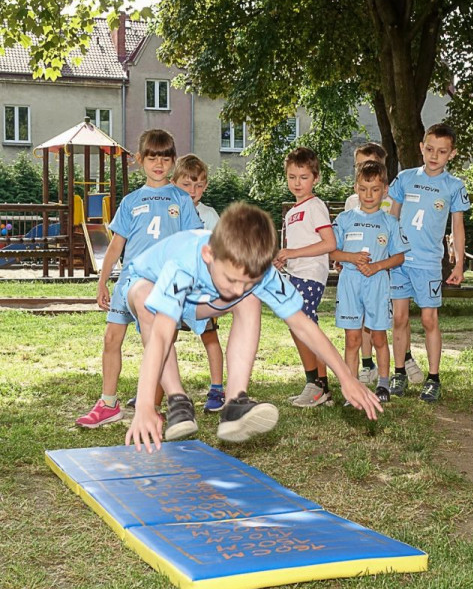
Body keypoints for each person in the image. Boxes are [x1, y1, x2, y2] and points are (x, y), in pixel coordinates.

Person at [121, 203, 382, 451]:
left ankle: (235, 403)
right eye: (232, 279)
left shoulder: (259, 272)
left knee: (250, 298)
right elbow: (160, 338)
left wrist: (346, 377)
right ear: (208, 255)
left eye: (247, 281)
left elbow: (303, 325)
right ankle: (177, 399)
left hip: (203, 299)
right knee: (145, 300)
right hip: (148, 285)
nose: (236, 290)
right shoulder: (183, 263)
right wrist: (145, 406)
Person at [77, 129, 202, 429]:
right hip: (130, 280)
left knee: (158, 342)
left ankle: (156, 405)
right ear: (139, 160)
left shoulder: (181, 199)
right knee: (111, 339)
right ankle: (108, 403)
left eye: (165, 158)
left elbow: (193, 241)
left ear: (173, 161)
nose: (158, 163)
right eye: (152, 157)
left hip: (163, 284)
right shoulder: (131, 202)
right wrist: (103, 280)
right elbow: (116, 245)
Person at [388, 123, 470, 401]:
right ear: (421, 147)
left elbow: (457, 227)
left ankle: (433, 378)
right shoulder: (404, 178)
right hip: (399, 261)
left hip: (428, 263)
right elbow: (392, 217)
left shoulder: (454, 186)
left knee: (428, 319)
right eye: (430, 149)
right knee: (398, 318)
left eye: (442, 151)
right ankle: (399, 373)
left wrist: (458, 264)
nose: (435, 155)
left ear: (452, 154)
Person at [330, 160, 409, 402]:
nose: (369, 195)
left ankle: (383, 385)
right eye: (364, 189)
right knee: (352, 338)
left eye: (375, 189)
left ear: (385, 190)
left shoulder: (390, 222)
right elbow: (332, 252)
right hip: (350, 283)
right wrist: (351, 258)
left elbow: (399, 256)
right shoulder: (344, 219)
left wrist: (377, 266)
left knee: (378, 337)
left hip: (377, 284)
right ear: (355, 188)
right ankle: (350, 387)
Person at [275, 147, 336, 408]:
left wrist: (293, 252)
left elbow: (329, 243)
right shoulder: (292, 212)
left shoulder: (315, 206)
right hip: (296, 273)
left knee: (304, 328)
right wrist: (284, 258)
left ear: (315, 178)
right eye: (292, 177)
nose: (297, 183)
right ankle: (317, 383)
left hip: (311, 276)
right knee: (299, 328)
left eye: (303, 177)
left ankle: (318, 386)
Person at [173, 154, 227, 410]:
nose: (193, 191)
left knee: (209, 335)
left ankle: (217, 389)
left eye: (199, 185)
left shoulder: (209, 215)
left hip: (201, 290)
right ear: (175, 183)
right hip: (173, 286)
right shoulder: (169, 210)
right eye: (187, 185)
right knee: (164, 338)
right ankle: (158, 391)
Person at [342, 142, 389, 386]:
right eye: (359, 166)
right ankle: (361, 369)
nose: (368, 194)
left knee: (379, 328)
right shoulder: (349, 209)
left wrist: (380, 265)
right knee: (354, 330)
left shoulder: (389, 211)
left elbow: (396, 248)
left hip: (378, 277)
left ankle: (387, 374)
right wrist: (346, 259)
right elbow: (337, 246)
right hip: (353, 277)